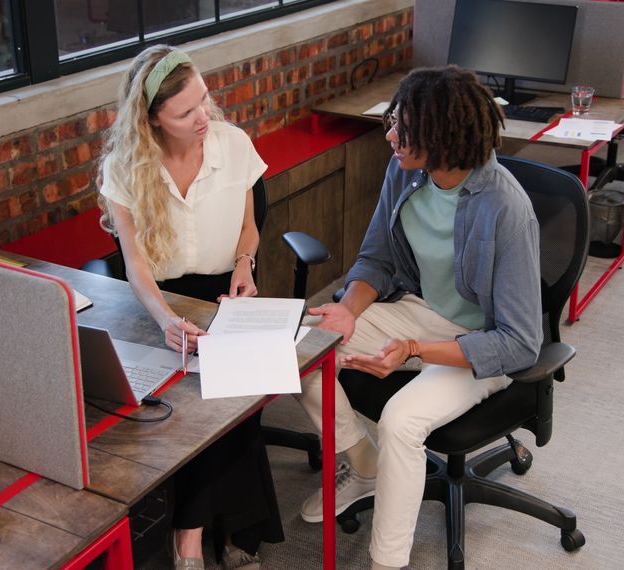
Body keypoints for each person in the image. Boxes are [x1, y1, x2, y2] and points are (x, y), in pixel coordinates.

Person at [295, 66, 544, 569]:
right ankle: (364, 463)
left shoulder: (506, 208)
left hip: (480, 343)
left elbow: (521, 343)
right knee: (301, 344)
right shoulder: (406, 171)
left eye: (404, 132)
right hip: (420, 311)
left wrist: (413, 351)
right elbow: (377, 259)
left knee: (401, 422)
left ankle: (386, 563)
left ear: (445, 138)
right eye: (393, 122)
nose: (390, 137)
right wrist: (346, 311)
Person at [96, 45, 279, 570]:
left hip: (227, 289)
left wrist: (246, 266)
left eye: (204, 100)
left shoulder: (232, 143)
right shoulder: (125, 168)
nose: (205, 116)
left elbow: (249, 226)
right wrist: (163, 319)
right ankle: (232, 533)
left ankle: (189, 540)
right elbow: (135, 265)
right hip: (163, 301)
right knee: (181, 413)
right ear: (152, 119)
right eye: (186, 112)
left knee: (230, 402)